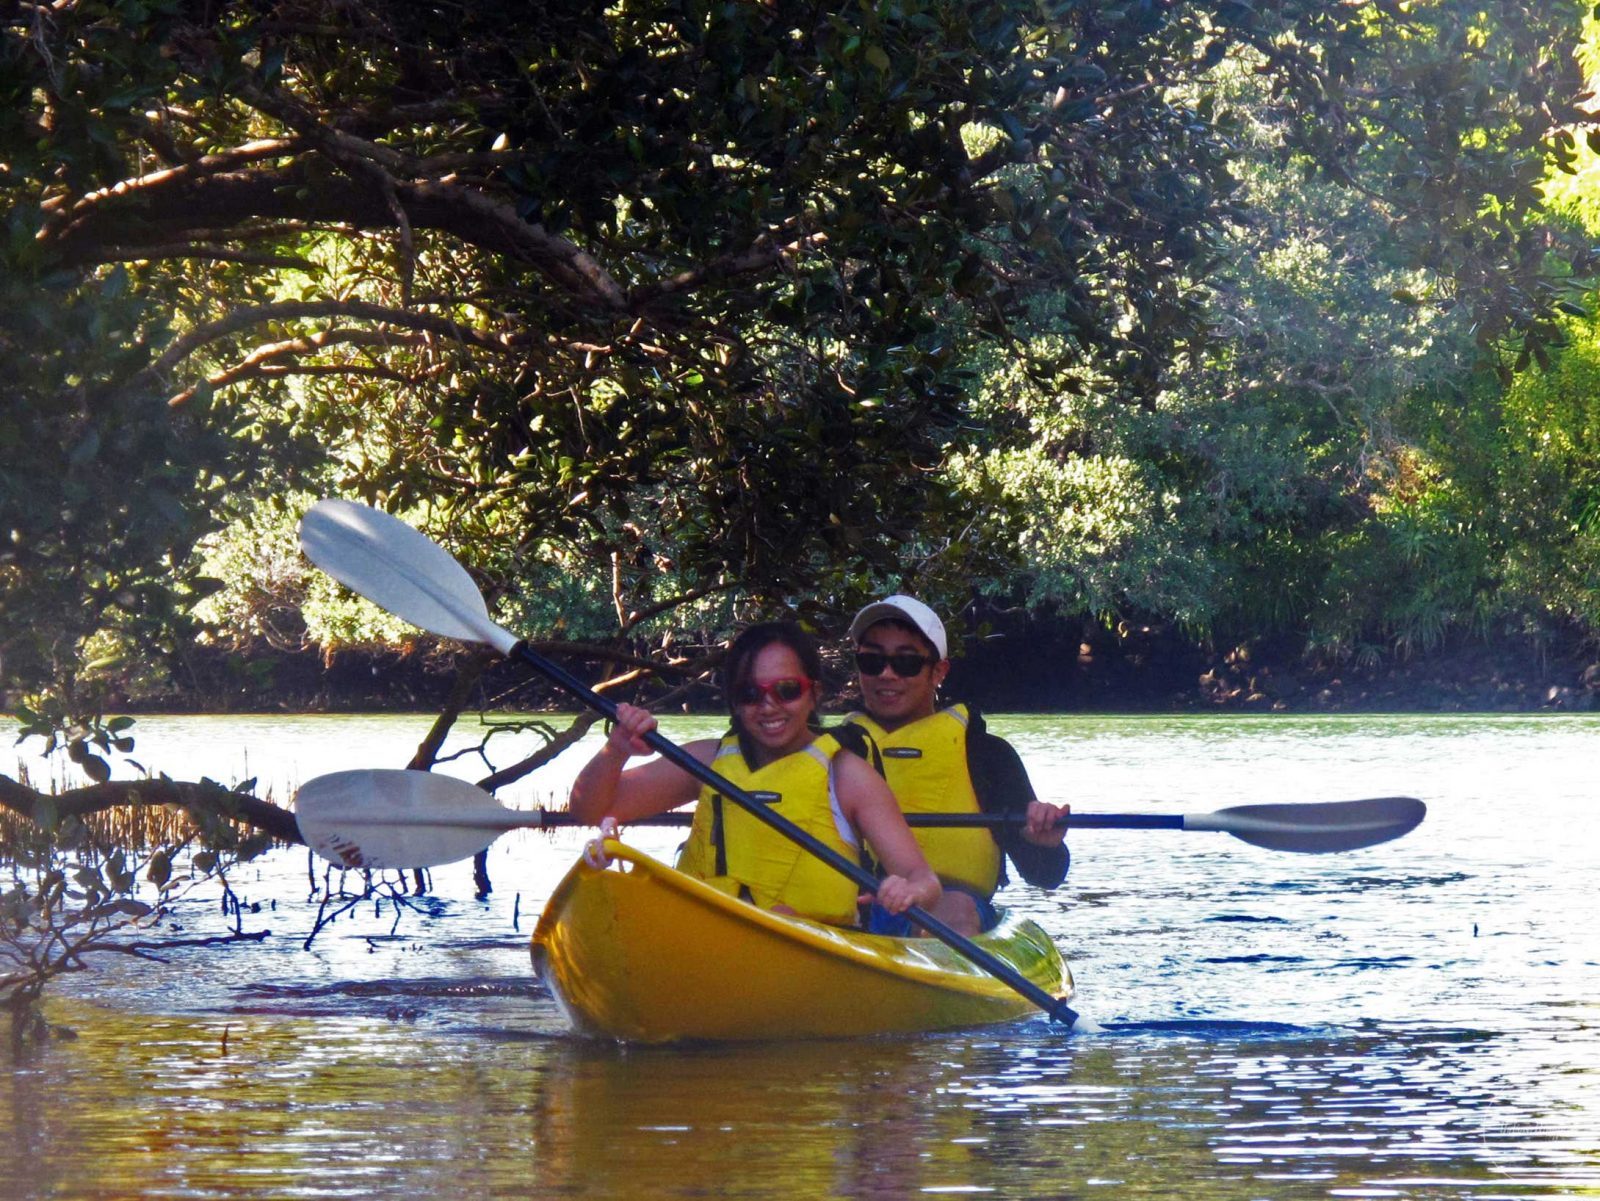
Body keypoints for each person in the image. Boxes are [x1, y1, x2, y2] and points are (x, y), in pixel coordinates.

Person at [568, 621, 942, 927]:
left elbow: (923, 879)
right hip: (704, 936)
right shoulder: (706, 761)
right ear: (734, 698)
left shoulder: (847, 776)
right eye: (751, 693)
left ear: (814, 694)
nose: (769, 707)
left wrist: (908, 892)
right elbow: (590, 810)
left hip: (812, 946)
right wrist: (616, 749)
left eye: (787, 690)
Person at [844, 595, 1068, 936]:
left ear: (938, 672)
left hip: (954, 914)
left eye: (905, 663)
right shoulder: (829, 752)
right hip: (850, 913)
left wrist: (1044, 842)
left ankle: (937, 979)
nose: (886, 675)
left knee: (955, 906)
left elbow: (1046, 875)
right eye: (872, 661)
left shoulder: (986, 756)